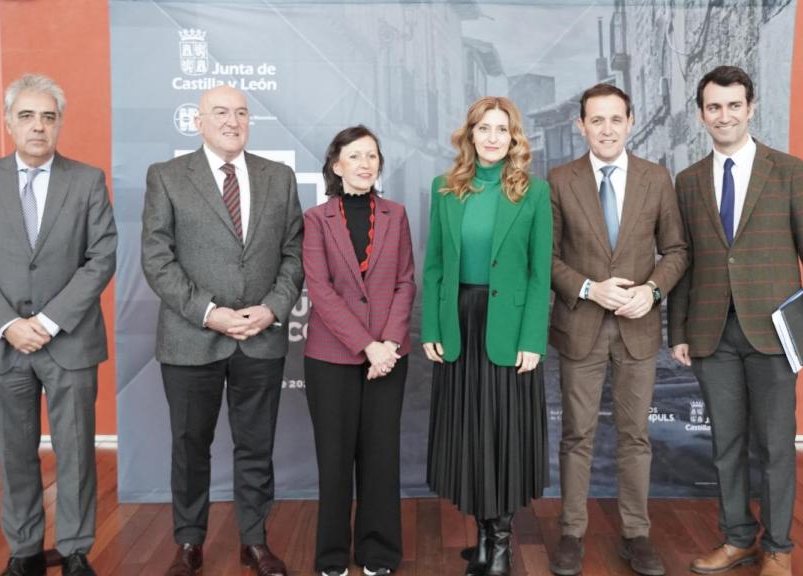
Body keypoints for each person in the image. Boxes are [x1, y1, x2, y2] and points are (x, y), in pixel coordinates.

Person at [668, 66, 803, 576]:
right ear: (702, 114)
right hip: (711, 332)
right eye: (714, 107)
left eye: (734, 105)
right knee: (726, 443)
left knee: (775, 445)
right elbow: (686, 259)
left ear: (751, 107)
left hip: (775, 332)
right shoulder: (688, 180)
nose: (725, 115)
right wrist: (677, 331)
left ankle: (779, 548)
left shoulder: (788, 171)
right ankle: (738, 538)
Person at [0, 73, 117, 576]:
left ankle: (74, 550)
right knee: (14, 454)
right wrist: (7, 323)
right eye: (26, 115)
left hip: (68, 341)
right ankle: (24, 551)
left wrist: (46, 321)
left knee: (76, 455)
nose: (38, 126)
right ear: (9, 122)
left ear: (60, 123)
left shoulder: (86, 180)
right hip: (1, 344)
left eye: (48, 116)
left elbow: (101, 256)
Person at [140, 85, 303, 576]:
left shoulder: (279, 177)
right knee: (190, 445)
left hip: (261, 337)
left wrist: (272, 309)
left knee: (256, 446)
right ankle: (190, 541)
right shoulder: (167, 177)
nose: (232, 121)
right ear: (198, 121)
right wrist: (209, 312)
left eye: (241, 112)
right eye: (220, 112)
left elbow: (295, 253)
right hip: (192, 337)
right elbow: (156, 258)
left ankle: (254, 541)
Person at [546, 83, 688, 576]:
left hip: (637, 328)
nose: (606, 129)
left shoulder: (655, 177)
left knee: (635, 436)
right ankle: (570, 533)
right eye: (596, 120)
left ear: (630, 122)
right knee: (576, 436)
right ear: (580, 126)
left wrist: (650, 292)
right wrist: (588, 289)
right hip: (581, 326)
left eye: (615, 119)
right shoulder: (560, 180)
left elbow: (676, 251)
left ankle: (636, 534)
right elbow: (547, 257)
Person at [422, 96, 552, 576]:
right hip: (460, 325)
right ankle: (482, 537)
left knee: (502, 434)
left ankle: (500, 544)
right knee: (470, 433)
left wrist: (533, 339)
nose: (493, 137)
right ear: (470, 135)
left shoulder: (534, 193)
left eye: (503, 129)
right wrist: (432, 328)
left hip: (508, 331)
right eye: (484, 128)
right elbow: (435, 266)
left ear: (514, 137)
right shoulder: (444, 189)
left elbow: (540, 274)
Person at [302, 125, 416, 576]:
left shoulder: (396, 214)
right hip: (332, 356)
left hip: (390, 355)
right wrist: (367, 345)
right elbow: (320, 290)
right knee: (334, 459)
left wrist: (388, 343)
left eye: (372, 155)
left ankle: (379, 553)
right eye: (355, 155)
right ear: (336, 165)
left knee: (380, 457)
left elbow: (405, 280)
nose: (366, 163)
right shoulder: (315, 219)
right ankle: (331, 557)